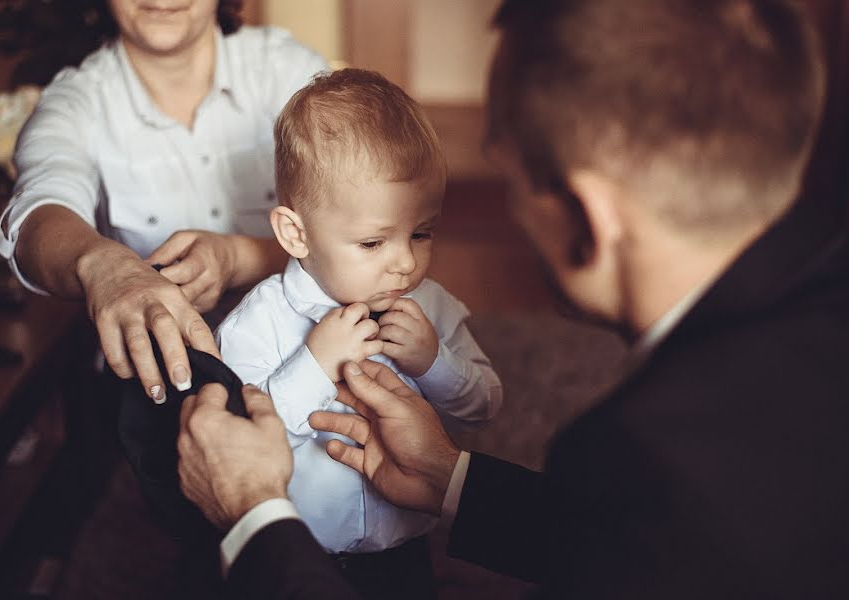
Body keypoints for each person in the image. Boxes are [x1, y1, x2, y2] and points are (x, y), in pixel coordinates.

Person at [177, 0, 849, 598]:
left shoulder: (641, 453)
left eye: (508, 180)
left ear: (588, 216)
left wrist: (253, 511)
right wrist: (452, 481)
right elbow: (646, 539)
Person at [0, 0, 328, 537]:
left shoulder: (288, 70)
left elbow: (374, 209)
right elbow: (37, 213)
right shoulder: (76, 99)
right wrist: (103, 265)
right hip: (170, 390)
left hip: (319, 350)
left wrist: (240, 257)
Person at [214, 68, 502, 599]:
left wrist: (434, 363)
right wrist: (313, 366)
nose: (405, 262)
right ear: (295, 233)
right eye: (373, 243)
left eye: (421, 232)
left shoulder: (429, 306)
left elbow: (483, 406)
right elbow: (234, 446)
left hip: (405, 550)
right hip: (299, 554)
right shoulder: (260, 323)